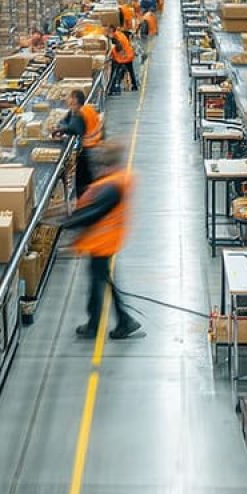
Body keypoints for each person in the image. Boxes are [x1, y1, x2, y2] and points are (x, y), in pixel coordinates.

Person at [59, 142, 141, 340]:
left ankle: (113, 322)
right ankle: (114, 321)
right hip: (103, 240)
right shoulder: (113, 180)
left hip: (104, 241)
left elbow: (96, 212)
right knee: (101, 279)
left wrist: (69, 222)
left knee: (99, 281)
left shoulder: (113, 185)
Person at [52, 89, 103, 198]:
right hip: (98, 147)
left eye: (70, 97)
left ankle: (84, 203)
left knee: (82, 181)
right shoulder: (87, 108)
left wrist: (59, 130)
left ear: (75, 100)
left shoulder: (80, 113)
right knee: (92, 180)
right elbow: (67, 119)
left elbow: (74, 128)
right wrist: (61, 126)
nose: (67, 99)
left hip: (89, 152)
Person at [106, 25, 138, 95]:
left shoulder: (116, 38)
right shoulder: (118, 33)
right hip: (129, 54)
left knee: (114, 72)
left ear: (112, 31)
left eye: (109, 31)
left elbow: (119, 49)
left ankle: (112, 89)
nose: (107, 32)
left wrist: (111, 57)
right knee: (131, 71)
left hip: (123, 57)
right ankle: (134, 86)